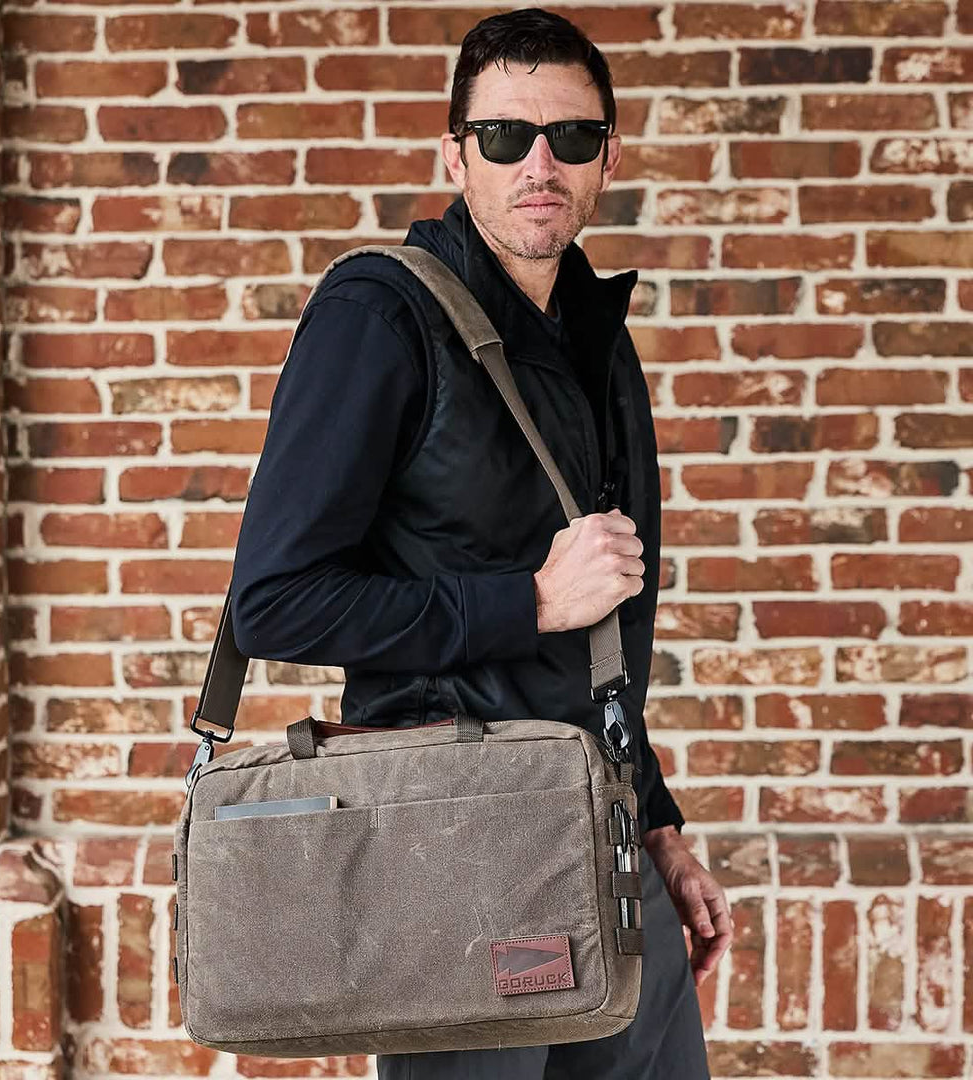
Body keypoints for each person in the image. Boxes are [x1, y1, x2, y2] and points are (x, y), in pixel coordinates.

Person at [230, 8, 733, 1078]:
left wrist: (659, 827)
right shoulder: (380, 316)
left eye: (572, 138)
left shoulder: (598, 337)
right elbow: (274, 600)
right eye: (506, 137)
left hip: (603, 845)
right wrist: (527, 600)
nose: (538, 164)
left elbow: (595, 649)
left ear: (608, 158)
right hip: (459, 859)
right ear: (454, 153)